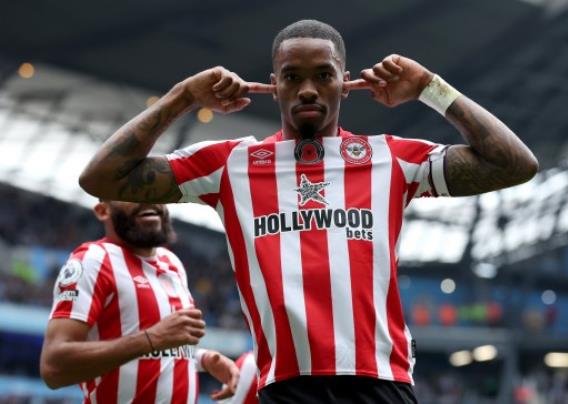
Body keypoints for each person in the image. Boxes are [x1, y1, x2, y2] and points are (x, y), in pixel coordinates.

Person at [78, 19, 538, 403]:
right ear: (273, 85)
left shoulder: (392, 159)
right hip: (285, 386)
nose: (308, 89)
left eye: (323, 75)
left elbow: (514, 164)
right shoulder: (229, 164)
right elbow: (101, 179)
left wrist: (428, 88)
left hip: (382, 383)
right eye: (292, 76)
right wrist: (183, 96)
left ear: (345, 82)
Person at [40, 200, 240, 403]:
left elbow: (155, 349)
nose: (147, 198)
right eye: (130, 192)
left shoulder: (172, 264)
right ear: (103, 211)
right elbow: (54, 367)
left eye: (153, 190)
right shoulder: (93, 260)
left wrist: (204, 359)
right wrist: (151, 339)